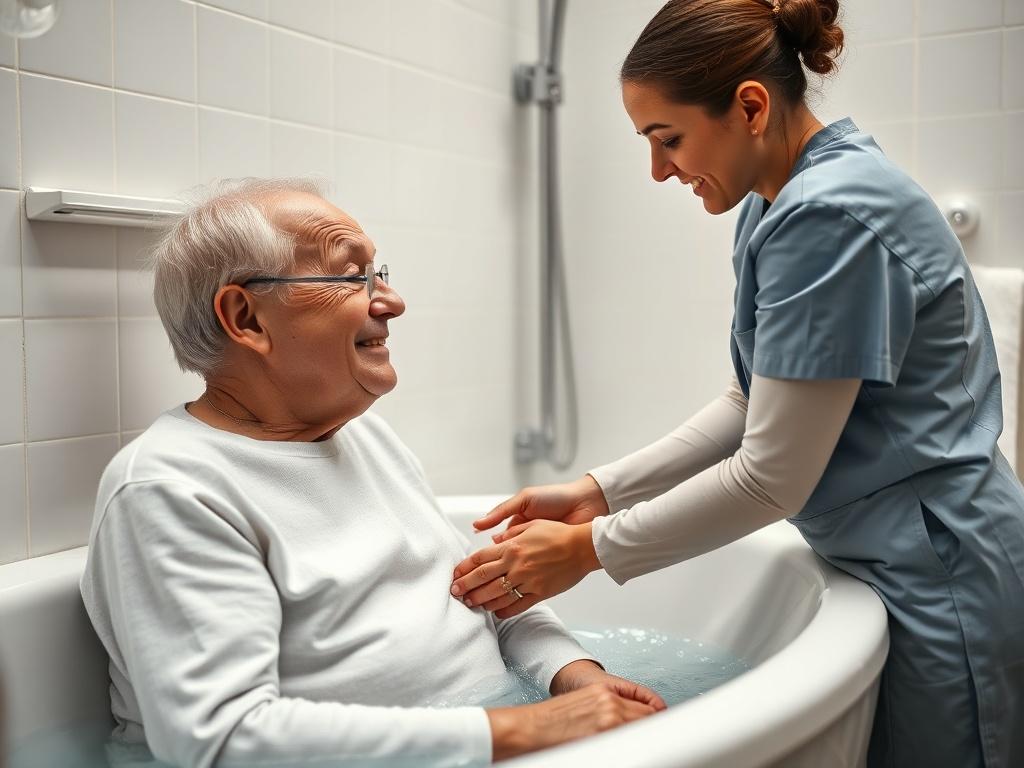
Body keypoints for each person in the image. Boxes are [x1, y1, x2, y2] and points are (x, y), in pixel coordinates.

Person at [449, 1, 1024, 766]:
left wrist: (586, 550)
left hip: (939, 571)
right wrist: (600, 491)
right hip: (895, 557)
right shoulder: (777, 200)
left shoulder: (829, 215)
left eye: (669, 139)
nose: (660, 170)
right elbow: (753, 401)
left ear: (751, 107)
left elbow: (771, 478)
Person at [79, 178, 665, 768]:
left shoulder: (365, 438)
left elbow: (485, 598)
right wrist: (524, 729)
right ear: (246, 317)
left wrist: (574, 676)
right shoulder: (172, 489)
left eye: (376, 273)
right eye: (350, 277)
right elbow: (222, 738)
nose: (391, 301)